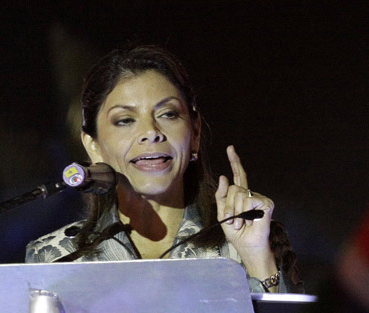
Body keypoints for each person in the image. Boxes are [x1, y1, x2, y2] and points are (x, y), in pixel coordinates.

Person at [26, 44, 302, 293]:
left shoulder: (257, 236)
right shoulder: (56, 257)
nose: (151, 132)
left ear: (194, 133)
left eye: (168, 114)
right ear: (93, 145)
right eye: (125, 120)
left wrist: (255, 256)